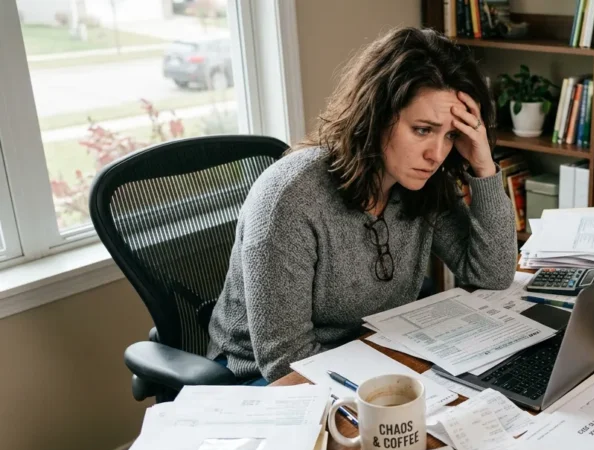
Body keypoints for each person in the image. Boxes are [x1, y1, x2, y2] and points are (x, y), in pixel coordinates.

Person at [206, 27, 516, 384]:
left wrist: (484, 166)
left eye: (450, 135)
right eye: (422, 130)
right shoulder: (289, 200)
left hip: (372, 351)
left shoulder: (422, 181)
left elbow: (491, 276)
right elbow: (285, 365)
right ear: (376, 116)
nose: (436, 154)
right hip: (263, 380)